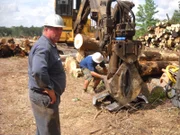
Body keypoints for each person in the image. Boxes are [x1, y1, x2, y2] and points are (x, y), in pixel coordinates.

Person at [28, 14, 66, 135]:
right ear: (46, 29)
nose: (59, 32)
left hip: (45, 98)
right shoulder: (43, 46)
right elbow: (38, 70)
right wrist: (49, 89)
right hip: (45, 98)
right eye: (56, 29)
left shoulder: (49, 44)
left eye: (61, 29)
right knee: (49, 131)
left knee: (44, 130)